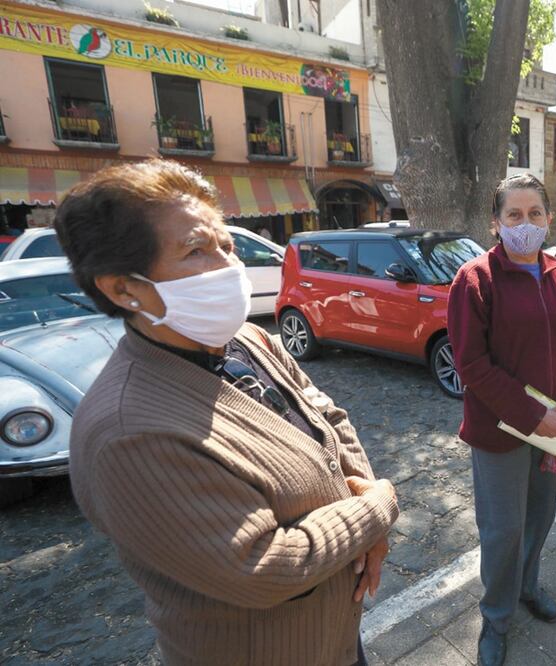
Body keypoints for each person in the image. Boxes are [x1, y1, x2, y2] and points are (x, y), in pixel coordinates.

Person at [56, 160, 399, 666]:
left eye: (227, 245)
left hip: (336, 638)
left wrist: (360, 499)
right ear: (122, 288)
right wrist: (377, 508)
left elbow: (327, 416)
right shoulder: (129, 432)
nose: (228, 266)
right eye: (197, 250)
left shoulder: (247, 338)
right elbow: (265, 567)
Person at [448, 173, 556, 666]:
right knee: (502, 529)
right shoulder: (475, 279)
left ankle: (527, 587)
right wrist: (535, 415)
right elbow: (471, 364)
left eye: (535, 214)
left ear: (549, 220)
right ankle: (495, 619)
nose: (525, 224)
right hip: (501, 432)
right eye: (513, 215)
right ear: (495, 222)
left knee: (540, 517)